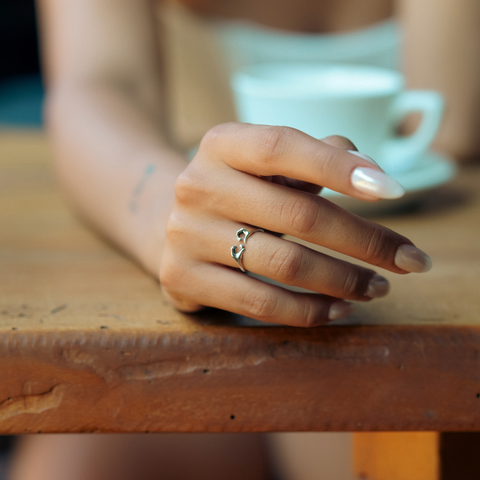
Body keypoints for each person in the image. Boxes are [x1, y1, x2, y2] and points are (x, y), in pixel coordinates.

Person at [10, 0, 480, 479]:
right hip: (195, 281)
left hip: (427, 276)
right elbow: (97, 85)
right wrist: (170, 216)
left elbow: (450, 129)